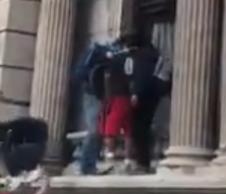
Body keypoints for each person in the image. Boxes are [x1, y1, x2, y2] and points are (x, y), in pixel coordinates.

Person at [71, 40, 120, 175]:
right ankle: (86, 165)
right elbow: (80, 74)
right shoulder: (99, 52)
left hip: (104, 94)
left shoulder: (106, 53)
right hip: (94, 94)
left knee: (100, 129)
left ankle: (91, 164)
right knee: (95, 130)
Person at [125, 31, 168, 173]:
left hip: (143, 96)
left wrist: (136, 93)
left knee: (139, 130)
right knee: (145, 128)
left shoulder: (140, 56)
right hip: (155, 95)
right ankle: (146, 161)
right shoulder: (154, 54)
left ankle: (142, 163)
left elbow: (141, 77)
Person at [101, 42, 135, 172]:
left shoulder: (114, 59)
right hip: (128, 97)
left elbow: (107, 78)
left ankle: (110, 158)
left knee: (110, 130)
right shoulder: (132, 58)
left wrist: (107, 97)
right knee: (128, 130)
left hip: (116, 97)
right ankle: (128, 160)